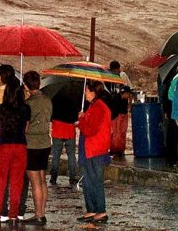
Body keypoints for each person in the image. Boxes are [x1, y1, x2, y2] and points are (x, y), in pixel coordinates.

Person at [0, 79, 31, 229]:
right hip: (20, 146)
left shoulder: (0, 109)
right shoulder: (26, 109)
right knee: (17, 183)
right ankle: (13, 216)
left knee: (0, 183)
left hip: (4, 146)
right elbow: (26, 129)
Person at [76, 81, 111, 225]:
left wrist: (81, 119)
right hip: (90, 149)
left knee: (95, 180)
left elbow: (90, 130)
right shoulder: (94, 106)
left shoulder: (99, 108)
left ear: (93, 92)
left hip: (95, 149)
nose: (85, 93)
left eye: (87, 91)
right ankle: (91, 209)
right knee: (88, 180)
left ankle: (101, 210)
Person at [20, 71, 51, 226]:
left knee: (35, 182)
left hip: (31, 144)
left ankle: (38, 214)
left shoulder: (28, 104)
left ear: (26, 85)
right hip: (45, 142)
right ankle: (42, 211)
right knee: (42, 179)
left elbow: (25, 127)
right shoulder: (47, 100)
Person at [49, 87, 79, 186]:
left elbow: (50, 115)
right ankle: (72, 177)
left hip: (57, 129)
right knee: (71, 156)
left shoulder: (54, 97)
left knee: (56, 156)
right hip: (69, 130)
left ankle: (53, 178)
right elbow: (76, 118)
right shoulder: (75, 98)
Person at [107, 61, 131, 156]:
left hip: (119, 110)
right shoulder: (110, 79)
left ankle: (118, 149)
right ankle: (116, 149)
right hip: (116, 110)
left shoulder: (122, 76)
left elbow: (128, 91)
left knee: (120, 131)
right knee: (117, 131)